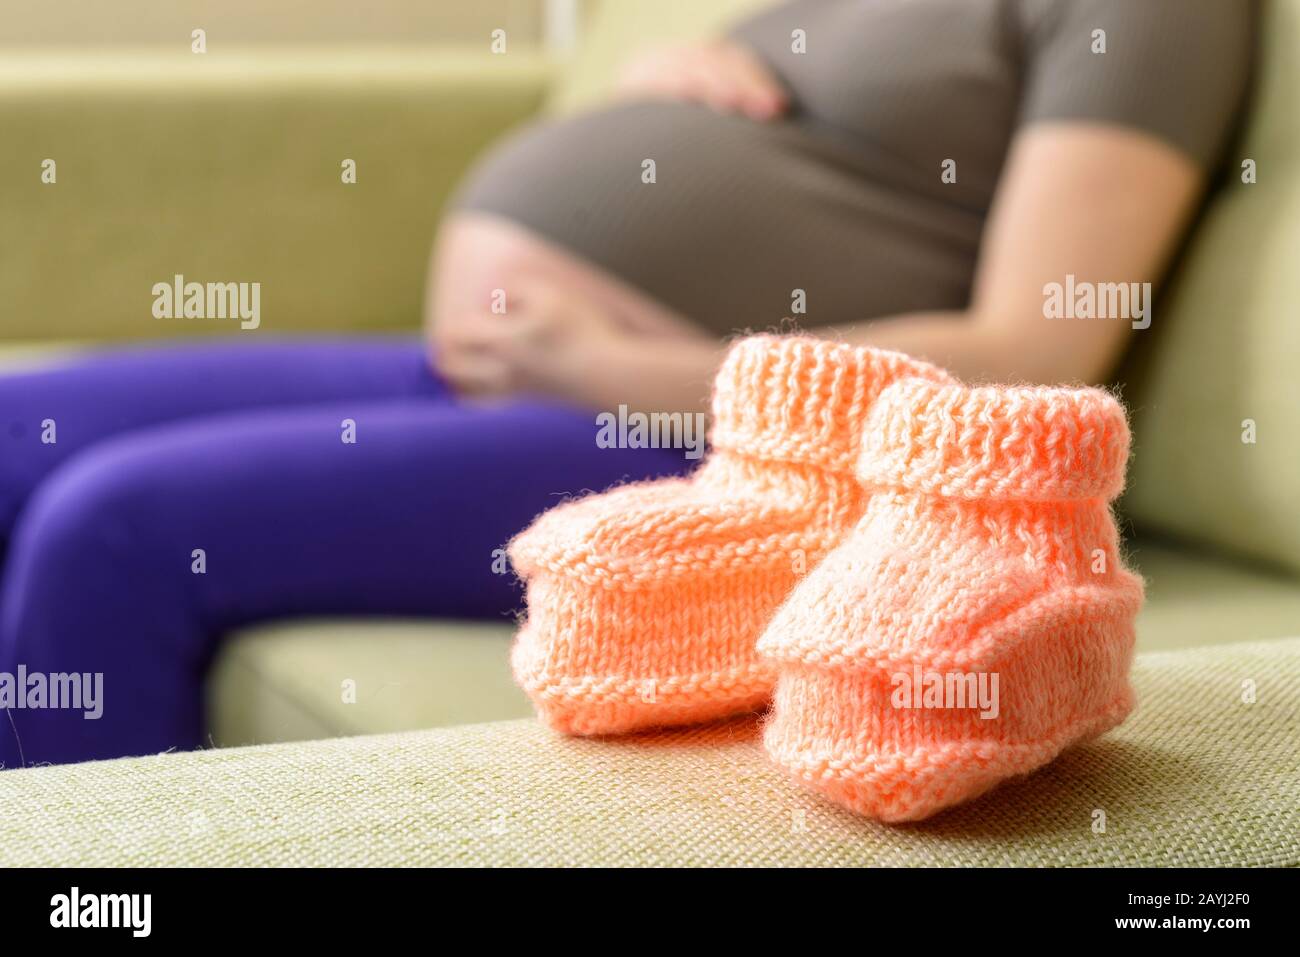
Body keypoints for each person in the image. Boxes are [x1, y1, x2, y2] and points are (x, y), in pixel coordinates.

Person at [0, 0, 1255, 768]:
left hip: (713, 444)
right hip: (497, 378)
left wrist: (605, 366)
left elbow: (1036, 355)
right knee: (17, 429)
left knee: (113, 529)